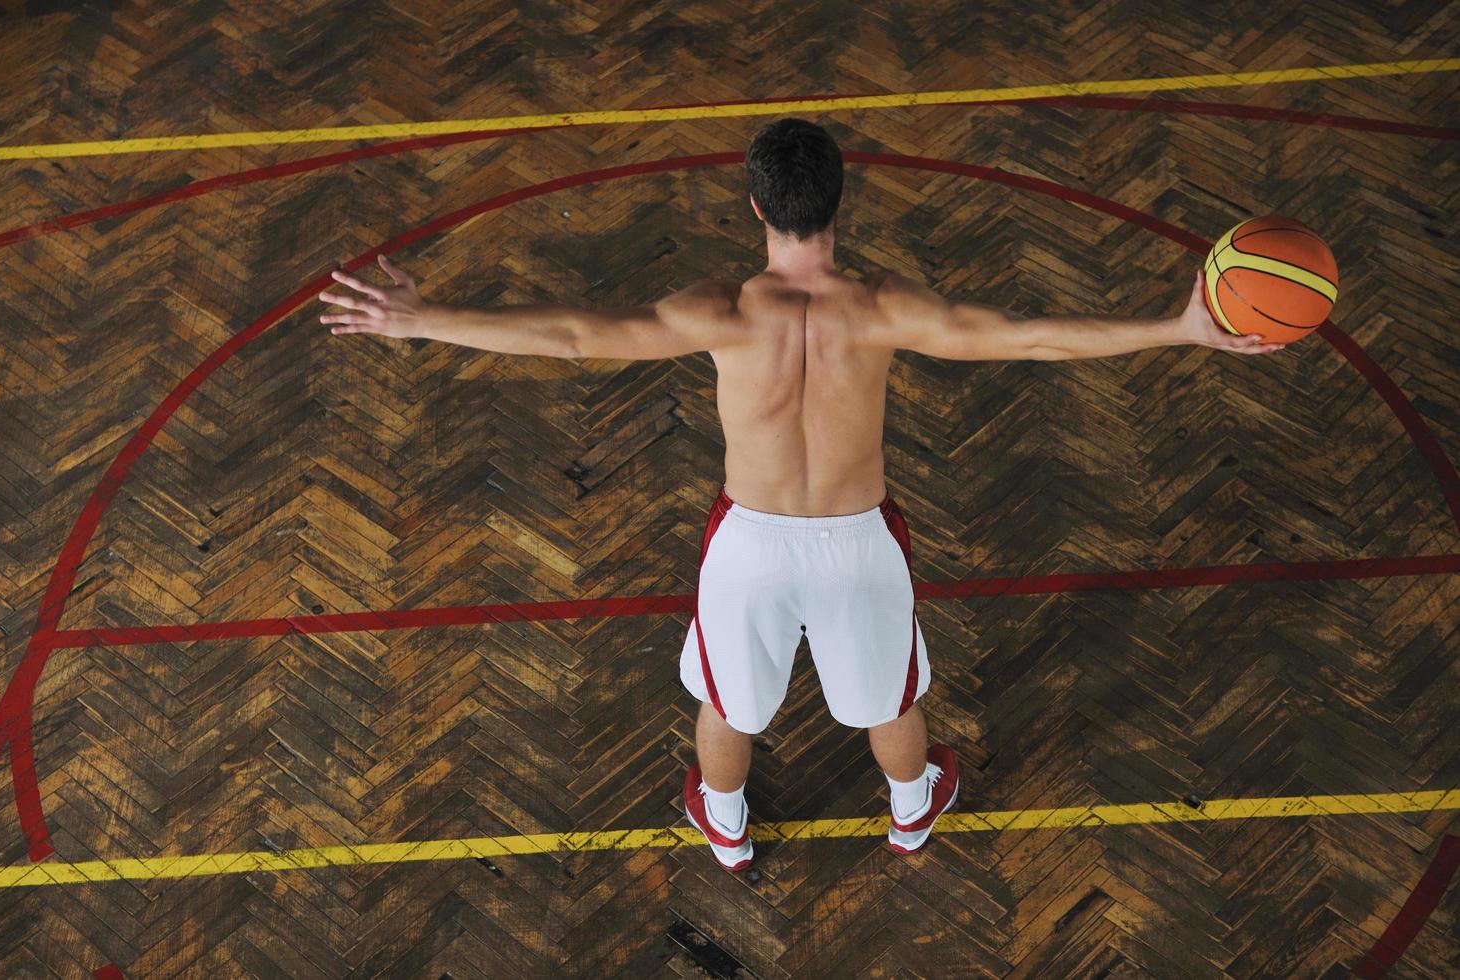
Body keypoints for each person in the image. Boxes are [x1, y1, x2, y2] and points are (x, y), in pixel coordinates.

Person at [320, 118, 1283, 872]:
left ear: (755, 207)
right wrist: (1176, 329)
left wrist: (424, 319)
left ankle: (727, 827)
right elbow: (1029, 333)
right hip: (859, 545)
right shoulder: (884, 308)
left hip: (750, 547)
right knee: (887, 702)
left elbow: (573, 336)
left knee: (730, 707)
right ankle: (912, 815)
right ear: (838, 205)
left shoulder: (724, 312)